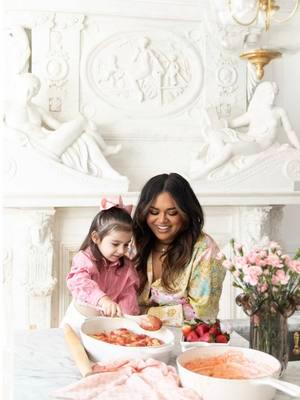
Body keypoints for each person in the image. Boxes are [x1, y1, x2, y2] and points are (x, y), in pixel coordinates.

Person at [132, 173, 226, 326]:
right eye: (154, 212)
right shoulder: (132, 241)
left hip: (184, 342)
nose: (162, 220)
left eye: (172, 212)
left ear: (186, 212)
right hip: (130, 338)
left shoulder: (205, 249)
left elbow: (202, 314)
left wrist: (146, 312)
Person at [4, 73, 123, 179]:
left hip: (48, 141)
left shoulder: (37, 109)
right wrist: (13, 134)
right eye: (27, 88)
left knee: (84, 138)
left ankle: (108, 171)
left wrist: (74, 130)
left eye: (34, 89)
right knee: (82, 121)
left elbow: (58, 126)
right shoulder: (6, 106)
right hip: (39, 148)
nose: (30, 92)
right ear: (18, 87)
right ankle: (104, 148)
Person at [189, 81, 300, 179]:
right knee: (215, 134)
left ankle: (204, 171)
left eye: (273, 94)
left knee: (230, 147)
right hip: (248, 138)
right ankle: (220, 164)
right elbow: (231, 124)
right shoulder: (254, 112)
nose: (272, 97)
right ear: (261, 95)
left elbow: (290, 131)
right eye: (268, 94)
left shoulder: (279, 112)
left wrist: (299, 148)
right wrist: (213, 119)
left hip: (260, 145)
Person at [61, 197, 139, 332]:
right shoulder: (84, 259)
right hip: (78, 322)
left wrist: (124, 320)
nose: (121, 250)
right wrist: (102, 299)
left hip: (107, 326)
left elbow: (128, 295)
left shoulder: (126, 267)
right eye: (115, 244)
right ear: (96, 237)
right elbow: (79, 283)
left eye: (126, 244)